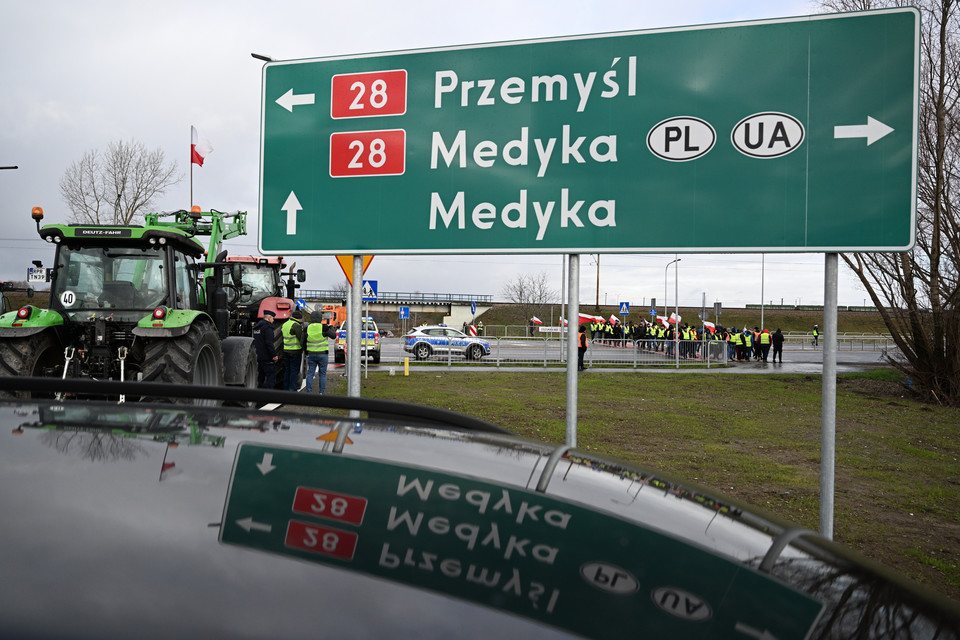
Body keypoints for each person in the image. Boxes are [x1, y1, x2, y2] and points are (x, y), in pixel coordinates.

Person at [304, 311, 337, 394]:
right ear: (320, 318)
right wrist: (331, 327)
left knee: (310, 373)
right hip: (323, 355)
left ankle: (309, 392)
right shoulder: (324, 327)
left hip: (311, 354)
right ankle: (321, 392)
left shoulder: (307, 328)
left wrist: (306, 352)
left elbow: (303, 341)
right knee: (322, 374)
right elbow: (333, 336)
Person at [253, 310, 278, 388]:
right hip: (267, 357)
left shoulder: (257, 327)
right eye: (273, 318)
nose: (273, 320)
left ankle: (259, 395)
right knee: (271, 377)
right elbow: (269, 343)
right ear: (269, 318)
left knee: (260, 377)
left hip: (258, 356)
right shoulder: (268, 327)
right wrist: (274, 355)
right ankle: (269, 396)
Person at [281, 309, 304, 392]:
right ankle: (292, 389)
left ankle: (286, 388)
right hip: (295, 351)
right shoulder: (296, 325)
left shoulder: (285, 324)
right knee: (294, 371)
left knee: (288, 370)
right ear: (299, 318)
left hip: (286, 350)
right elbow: (301, 338)